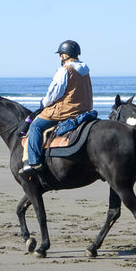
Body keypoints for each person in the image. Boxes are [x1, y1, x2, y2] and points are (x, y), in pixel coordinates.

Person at [19, 40, 93, 175]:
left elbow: (55, 93)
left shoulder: (65, 70)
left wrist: (44, 103)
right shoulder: (85, 71)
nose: (60, 57)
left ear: (65, 55)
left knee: (35, 126)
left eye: (61, 54)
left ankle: (34, 163)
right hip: (85, 110)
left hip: (67, 111)